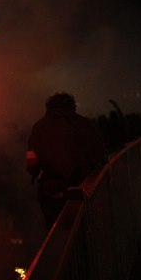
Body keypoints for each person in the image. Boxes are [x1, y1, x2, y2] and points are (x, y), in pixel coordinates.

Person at [26, 92, 108, 230]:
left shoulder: (39, 127)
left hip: (50, 191)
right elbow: (100, 155)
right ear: (72, 106)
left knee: (56, 235)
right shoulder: (85, 124)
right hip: (83, 188)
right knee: (83, 231)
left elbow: (31, 163)